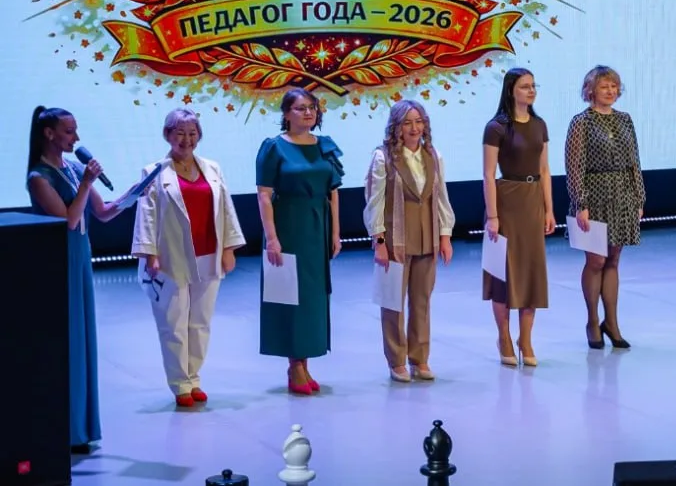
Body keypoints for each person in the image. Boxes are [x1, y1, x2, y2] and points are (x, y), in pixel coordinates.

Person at [26, 106, 132, 452]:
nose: (77, 138)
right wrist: (86, 182)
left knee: (84, 338)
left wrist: (132, 195)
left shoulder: (72, 168)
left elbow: (101, 212)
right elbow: (68, 220)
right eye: (69, 131)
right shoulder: (39, 177)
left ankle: (83, 428)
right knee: (69, 340)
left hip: (81, 256)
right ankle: (68, 428)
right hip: (59, 262)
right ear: (49, 134)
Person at [131, 108, 246, 406]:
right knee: (174, 322)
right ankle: (180, 383)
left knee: (201, 322)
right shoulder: (154, 171)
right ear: (167, 135)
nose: (186, 139)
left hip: (209, 253)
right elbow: (146, 214)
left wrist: (229, 248)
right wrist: (149, 253)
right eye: (180, 133)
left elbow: (226, 209)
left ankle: (194, 377)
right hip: (172, 257)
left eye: (192, 133)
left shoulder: (212, 168)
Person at [256, 88, 343, 394]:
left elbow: (333, 193)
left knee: (313, 298)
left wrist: (335, 232)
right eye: (301, 108)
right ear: (286, 114)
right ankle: (294, 365)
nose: (308, 112)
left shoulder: (325, 146)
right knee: (290, 296)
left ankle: (304, 363)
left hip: (317, 228)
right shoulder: (274, 147)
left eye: (312, 108)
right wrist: (272, 238)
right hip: (289, 227)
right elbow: (264, 195)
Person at [364, 100, 455, 382]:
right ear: (396, 127)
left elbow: (441, 197)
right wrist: (379, 240)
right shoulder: (384, 157)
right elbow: (375, 200)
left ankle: (420, 358)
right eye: (407, 123)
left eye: (418, 121)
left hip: (427, 238)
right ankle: (396, 360)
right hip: (396, 239)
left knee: (421, 301)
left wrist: (445, 235)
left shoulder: (433, 155)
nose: (414, 128)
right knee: (393, 302)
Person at [566, 65, 646, 350]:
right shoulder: (582, 122)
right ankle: (592, 321)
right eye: (604, 86)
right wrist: (581, 203)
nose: (610, 91)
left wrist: (639, 198)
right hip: (594, 196)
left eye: (614, 86)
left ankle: (611, 323)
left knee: (613, 259)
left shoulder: (625, 120)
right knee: (596, 261)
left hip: (622, 195)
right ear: (591, 91)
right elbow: (574, 166)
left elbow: (634, 162)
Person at [482, 68, 554, 366]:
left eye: (533, 85)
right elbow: (488, 174)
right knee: (504, 272)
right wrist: (493, 215)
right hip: (507, 200)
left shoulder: (539, 125)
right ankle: (504, 337)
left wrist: (549, 209)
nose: (531, 90)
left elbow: (545, 170)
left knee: (530, 271)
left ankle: (526, 339)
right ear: (511, 90)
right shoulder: (496, 127)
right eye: (525, 86)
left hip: (532, 200)